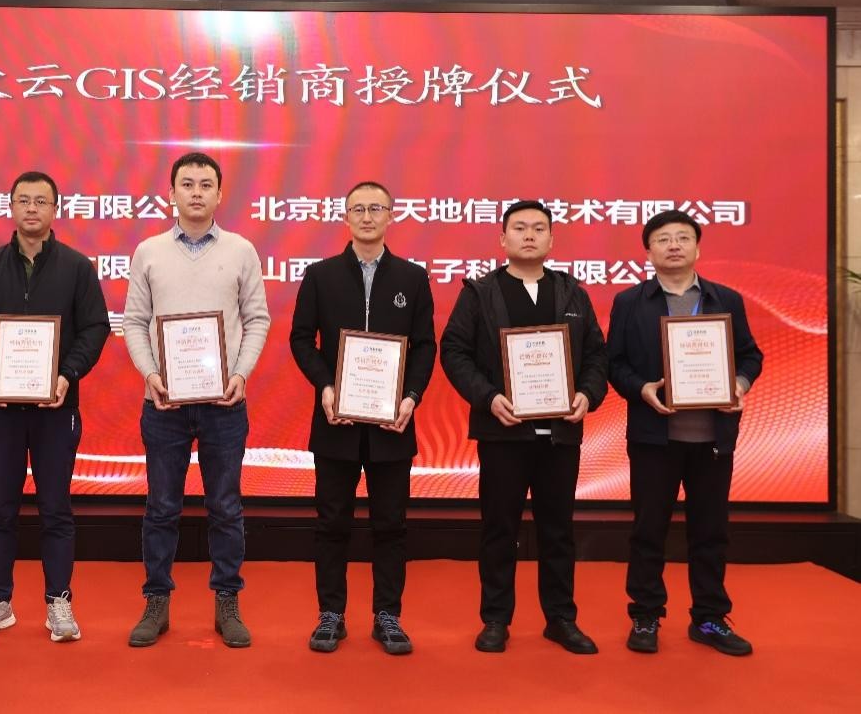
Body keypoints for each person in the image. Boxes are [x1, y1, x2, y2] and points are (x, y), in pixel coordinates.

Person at [439, 199, 608, 655]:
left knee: (559, 530)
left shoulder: (572, 293)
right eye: (519, 228)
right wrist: (488, 397)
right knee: (499, 528)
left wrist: (587, 395)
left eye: (538, 228)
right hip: (503, 433)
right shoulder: (480, 292)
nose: (529, 235)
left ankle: (561, 618)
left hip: (560, 435)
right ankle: (495, 619)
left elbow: (597, 354)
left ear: (552, 239)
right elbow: (454, 351)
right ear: (503, 238)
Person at [122, 151, 271, 648]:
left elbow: (257, 319)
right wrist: (150, 374)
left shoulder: (241, 250)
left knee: (225, 507)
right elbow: (135, 321)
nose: (196, 192)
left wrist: (241, 373)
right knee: (161, 507)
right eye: (187, 184)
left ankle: (227, 601)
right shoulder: (148, 251)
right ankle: (156, 601)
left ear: (220, 194)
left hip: (224, 405)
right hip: (164, 404)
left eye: (206, 184)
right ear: (171, 193)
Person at [0, 171, 110, 643]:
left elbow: (95, 328)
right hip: (1, 408)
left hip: (56, 407)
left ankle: (59, 601)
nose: (32, 209)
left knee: (56, 507)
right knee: (0, 507)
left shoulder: (77, 268)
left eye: (41, 201)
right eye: (23, 200)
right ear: (11, 207)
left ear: (55, 209)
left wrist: (67, 374)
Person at [289, 181, 436, 656]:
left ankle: (388, 615)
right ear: (346, 217)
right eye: (358, 209)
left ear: (391, 215)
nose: (367, 216)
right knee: (332, 522)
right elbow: (301, 339)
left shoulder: (413, 277)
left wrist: (411, 397)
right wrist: (326, 387)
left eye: (376, 208)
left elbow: (425, 346)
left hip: (393, 425)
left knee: (391, 524)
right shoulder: (321, 275)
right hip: (336, 423)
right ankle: (330, 614)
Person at [608, 210, 762, 656]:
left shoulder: (725, 299)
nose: (673, 245)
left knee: (710, 531)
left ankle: (709, 618)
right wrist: (642, 388)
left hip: (713, 438)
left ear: (697, 247)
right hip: (653, 437)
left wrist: (739, 384)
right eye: (663, 239)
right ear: (648, 251)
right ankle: (645, 616)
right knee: (648, 529)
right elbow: (615, 364)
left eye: (682, 237)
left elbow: (750, 356)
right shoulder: (629, 302)